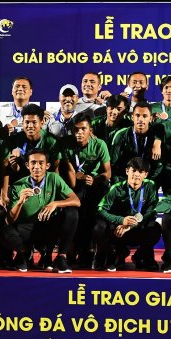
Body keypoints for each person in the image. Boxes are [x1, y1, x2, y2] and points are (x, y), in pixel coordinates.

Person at [1, 148, 80, 273]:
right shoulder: (18, 185)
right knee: (4, 229)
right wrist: (20, 202)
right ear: (27, 165)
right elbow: (9, 220)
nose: (37, 166)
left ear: (47, 165)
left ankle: (61, 257)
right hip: (27, 230)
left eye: (41, 163)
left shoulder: (54, 178)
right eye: (33, 163)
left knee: (72, 213)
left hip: (49, 228)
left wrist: (55, 203)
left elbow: (76, 201)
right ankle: (23, 253)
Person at [55, 113, 111, 267]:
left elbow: (108, 173)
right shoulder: (65, 143)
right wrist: (71, 179)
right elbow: (59, 170)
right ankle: (71, 253)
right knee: (74, 215)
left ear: (90, 130)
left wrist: (94, 179)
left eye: (83, 129)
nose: (79, 133)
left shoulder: (100, 144)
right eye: (76, 130)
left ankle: (94, 253)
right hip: (72, 186)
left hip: (94, 184)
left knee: (93, 217)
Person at [93, 157, 161, 271]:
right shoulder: (116, 188)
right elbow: (100, 210)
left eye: (141, 172)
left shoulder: (151, 186)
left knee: (155, 228)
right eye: (133, 170)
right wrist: (121, 220)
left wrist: (130, 225)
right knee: (99, 227)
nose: (136, 174)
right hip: (118, 231)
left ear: (146, 174)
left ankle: (143, 256)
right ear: (127, 171)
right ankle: (111, 255)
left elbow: (152, 212)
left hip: (138, 229)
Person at [110, 101, 162, 184]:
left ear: (151, 118)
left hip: (148, 180)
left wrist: (148, 182)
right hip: (124, 180)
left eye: (145, 116)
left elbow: (159, 166)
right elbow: (114, 165)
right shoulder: (121, 135)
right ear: (132, 117)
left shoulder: (156, 137)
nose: (140, 119)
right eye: (137, 115)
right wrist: (122, 183)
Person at [7, 104, 58, 183]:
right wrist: (14, 165)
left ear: (42, 122)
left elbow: (55, 169)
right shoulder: (15, 140)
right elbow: (15, 170)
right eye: (27, 122)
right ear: (22, 123)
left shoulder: (52, 141)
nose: (30, 126)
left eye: (34, 122)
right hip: (21, 181)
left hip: (45, 182)